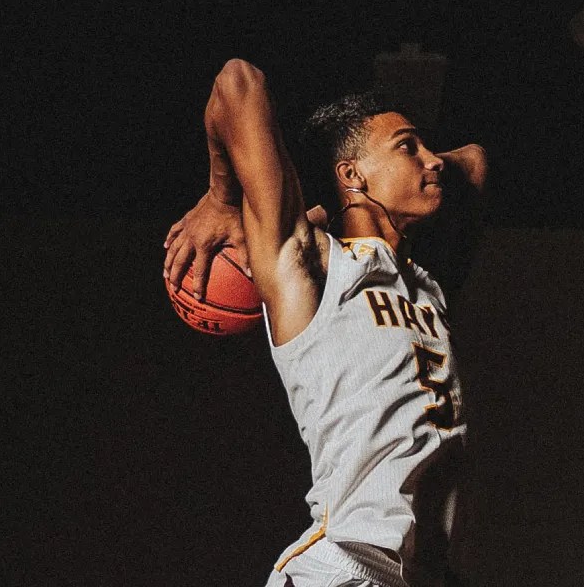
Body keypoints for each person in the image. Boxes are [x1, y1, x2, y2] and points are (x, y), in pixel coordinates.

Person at [162, 58, 488, 587]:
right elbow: (237, 80)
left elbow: (473, 160)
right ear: (352, 174)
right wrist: (223, 198)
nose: (433, 160)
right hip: (344, 569)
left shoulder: (427, 282)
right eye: (409, 147)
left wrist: (408, 159)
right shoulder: (311, 263)